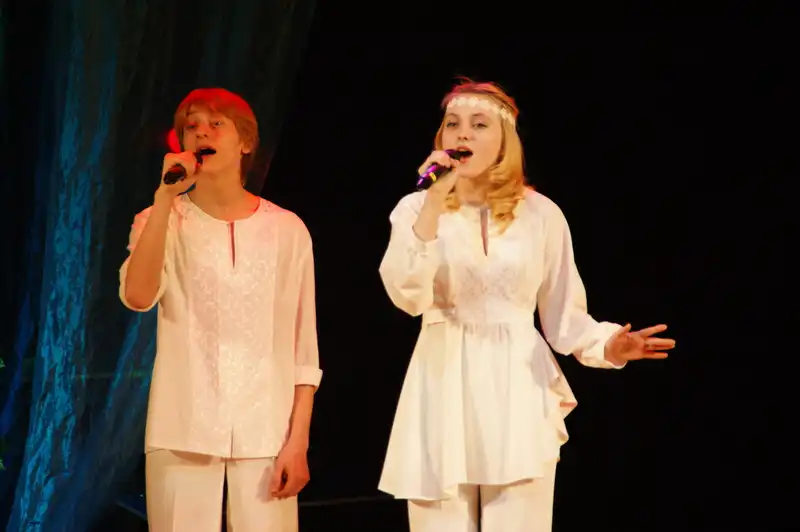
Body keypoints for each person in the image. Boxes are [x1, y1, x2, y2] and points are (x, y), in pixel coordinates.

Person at [377, 79, 676, 532]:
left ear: (504, 141)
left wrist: (609, 344)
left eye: (479, 125)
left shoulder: (541, 214)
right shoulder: (416, 209)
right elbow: (407, 296)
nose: (462, 133)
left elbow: (564, 314)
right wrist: (434, 202)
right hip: (441, 381)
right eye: (453, 124)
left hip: (516, 384)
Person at [119, 87, 321, 532]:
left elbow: (303, 348)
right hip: (181, 430)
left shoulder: (287, 230)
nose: (201, 133)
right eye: (191, 126)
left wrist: (298, 441)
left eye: (216, 124)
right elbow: (138, 296)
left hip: (266, 434)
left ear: (245, 142)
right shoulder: (159, 219)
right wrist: (164, 199)